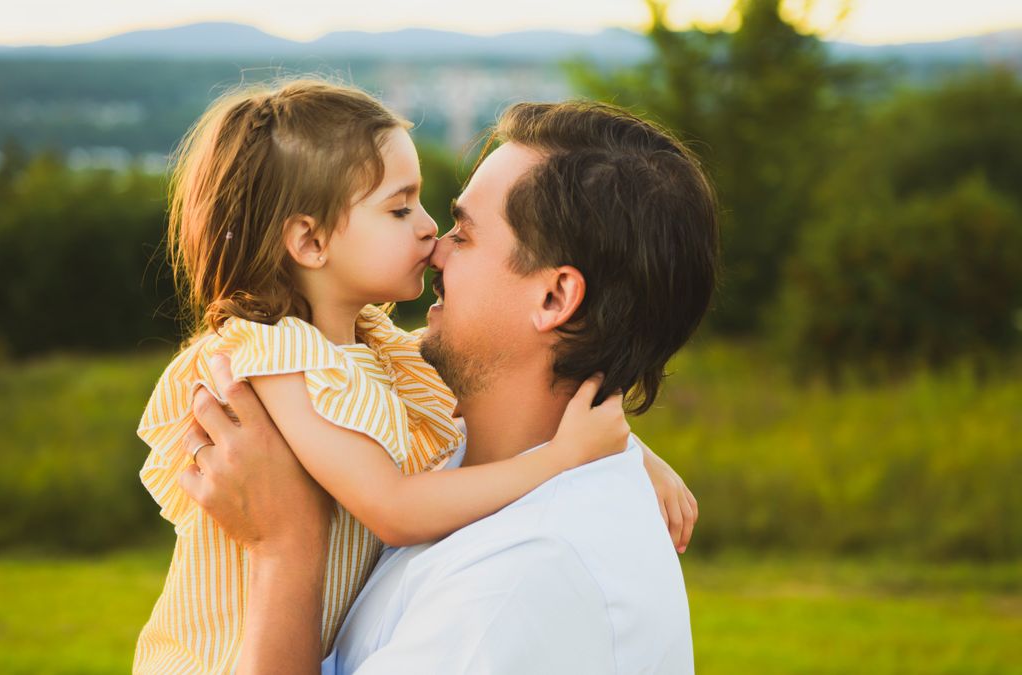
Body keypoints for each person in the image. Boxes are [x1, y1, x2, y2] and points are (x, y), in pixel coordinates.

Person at [133, 81, 697, 674]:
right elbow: (395, 507)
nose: (433, 237)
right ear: (309, 240)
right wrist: (574, 453)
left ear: (555, 296)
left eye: (464, 231)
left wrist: (285, 547)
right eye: (401, 209)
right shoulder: (282, 362)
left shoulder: (513, 587)